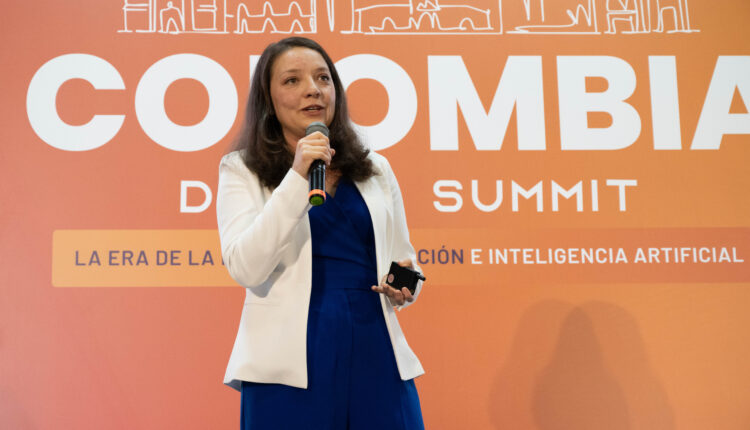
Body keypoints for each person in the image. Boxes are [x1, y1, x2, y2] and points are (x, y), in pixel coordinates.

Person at [216, 37, 425, 429]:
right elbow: (246, 267)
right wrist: (298, 175)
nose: (313, 89)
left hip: (375, 346)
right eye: (292, 80)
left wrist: (406, 284)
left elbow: (404, 257)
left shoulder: (376, 168)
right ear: (269, 99)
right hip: (288, 361)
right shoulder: (241, 168)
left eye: (323, 78)